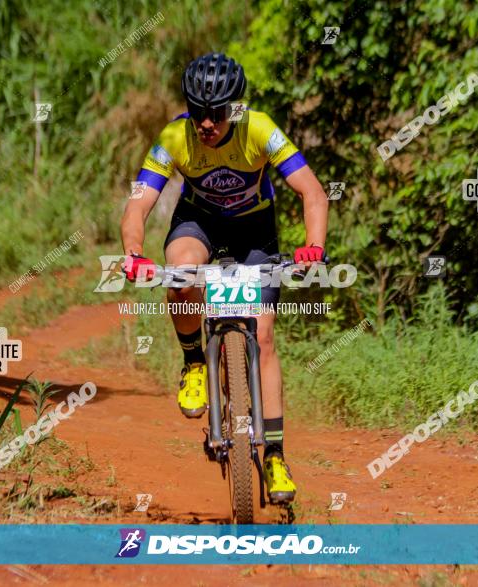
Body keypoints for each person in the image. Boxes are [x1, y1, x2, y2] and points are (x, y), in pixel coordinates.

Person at [119, 52, 328, 504]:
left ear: (235, 108)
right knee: (181, 273)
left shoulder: (259, 128)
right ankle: (194, 361)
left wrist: (314, 245)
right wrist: (133, 252)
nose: (207, 123)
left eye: (217, 113)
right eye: (198, 111)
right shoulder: (175, 136)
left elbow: (312, 191)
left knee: (265, 334)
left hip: (255, 230)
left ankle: (273, 457)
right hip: (199, 223)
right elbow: (138, 203)